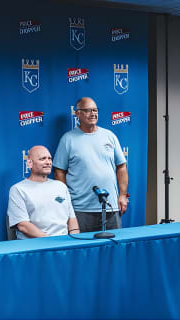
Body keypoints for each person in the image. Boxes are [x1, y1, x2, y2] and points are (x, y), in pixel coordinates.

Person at [53, 97, 128, 232]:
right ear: (78, 114)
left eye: (95, 110)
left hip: (110, 206)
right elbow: (59, 171)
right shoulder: (68, 139)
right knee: (82, 248)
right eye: (87, 110)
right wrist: (67, 201)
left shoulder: (109, 136)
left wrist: (122, 195)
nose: (93, 113)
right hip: (80, 209)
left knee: (114, 248)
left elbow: (121, 166)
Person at [7, 145, 79, 239]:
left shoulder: (61, 186)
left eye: (49, 158)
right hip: (36, 247)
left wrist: (76, 241)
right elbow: (23, 226)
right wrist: (51, 242)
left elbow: (72, 219)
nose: (48, 162)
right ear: (30, 163)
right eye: (42, 159)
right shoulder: (18, 189)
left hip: (64, 245)